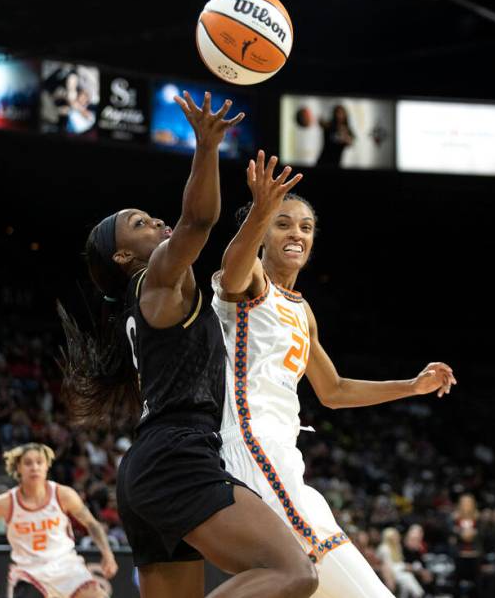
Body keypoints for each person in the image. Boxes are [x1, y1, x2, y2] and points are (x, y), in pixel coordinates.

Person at [59, 92, 318, 598]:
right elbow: (197, 222)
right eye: (139, 224)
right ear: (121, 256)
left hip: (148, 467)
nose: (156, 223)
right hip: (179, 456)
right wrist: (206, 147)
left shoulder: (150, 299)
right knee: (294, 573)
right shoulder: (154, 278)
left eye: (152, 218)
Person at [212, 151, 456, 597]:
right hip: (250, 441)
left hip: (283, 449)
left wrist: (412, 386)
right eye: (283, 223)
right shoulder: (250, 284)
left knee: (306, 582)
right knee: (337, 572)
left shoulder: (302, 310)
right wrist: (261, 207)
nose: (296, 234)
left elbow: (335, 390)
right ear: (262, 230)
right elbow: (233, 268)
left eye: (305, 227)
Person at [0, 443, 115, 597]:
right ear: (18, 467)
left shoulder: (63, 495)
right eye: (28, 463)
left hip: (67, 567)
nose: (34, 467)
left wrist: (107, 553)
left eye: (39, 462)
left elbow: (92, 524)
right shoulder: (5, 503)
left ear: (47, 466)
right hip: (29, 573)